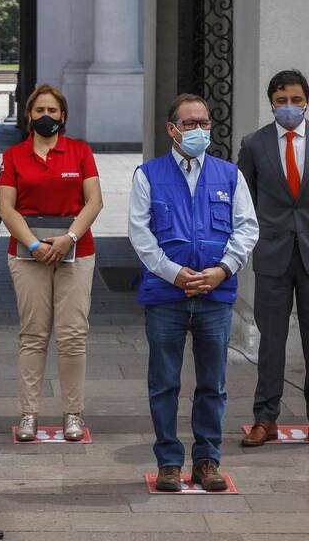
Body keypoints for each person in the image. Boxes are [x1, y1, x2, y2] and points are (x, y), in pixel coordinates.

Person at [128, 93, 258, 491]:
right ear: (172, 129)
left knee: (213, 384)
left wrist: (221, 271)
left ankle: (207, 460)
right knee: (164, 382)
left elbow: (247, 228)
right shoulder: (148, 174)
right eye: (190, 124)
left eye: (204, 123)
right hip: (166, 296)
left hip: (215, 297)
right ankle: (169, 461)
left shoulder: (229, 175)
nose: (200, 130)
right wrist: (173, 273)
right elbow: (140, 232)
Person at [0, 84, 103, 442]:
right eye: (40, 110)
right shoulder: (14, 155)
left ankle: (73, 413)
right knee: (33, 335)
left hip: (76, 251)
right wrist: (32, 243)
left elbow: (94, 202)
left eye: (53, 111)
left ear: (64, 116)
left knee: (73, 336)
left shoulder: (80, 152)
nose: (46, 116)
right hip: (28, 255)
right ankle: (28, 413)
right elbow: (6, 207)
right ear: (28, 115)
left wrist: (68, 238)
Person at [239, 70, 309, 446]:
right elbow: (242, 200)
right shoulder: (254, 144)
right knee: (271, 342)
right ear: (271, 103)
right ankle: (265, 419)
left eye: (296, 100)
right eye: (281, 101)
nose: (289, 108)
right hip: (272, 256)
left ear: (306, 101)